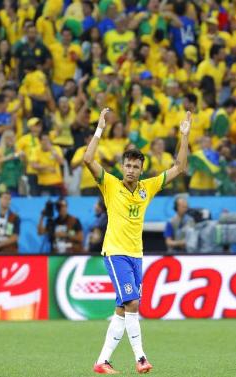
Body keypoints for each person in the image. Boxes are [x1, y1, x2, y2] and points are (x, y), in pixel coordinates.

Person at [84, 108, 192, 374]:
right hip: (115, 252)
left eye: (136, 166)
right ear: (122, 167)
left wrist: (184, 136)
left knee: (122, 309)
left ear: (142, 170)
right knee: (133, 304)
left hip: (136, 254)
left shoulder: (148, 187)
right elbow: (88, 159)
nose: (131, 170)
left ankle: (102, 362)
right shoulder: (110, 184)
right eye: (128, 165)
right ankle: (141, 358)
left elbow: (180, 167)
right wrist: (99, 129)